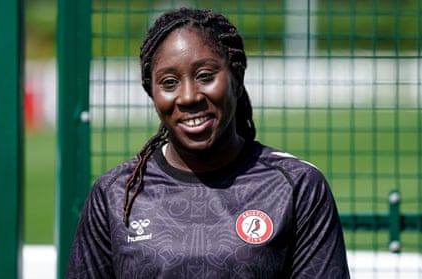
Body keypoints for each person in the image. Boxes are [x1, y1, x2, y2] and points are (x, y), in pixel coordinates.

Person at [67, 7, 350, 278]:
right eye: (168, 82)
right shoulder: (116, 194)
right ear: (151, 93)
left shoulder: (296, 186)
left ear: (236, 79)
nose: (189, 96)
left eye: (205, 76)